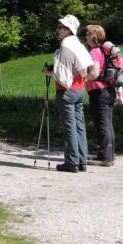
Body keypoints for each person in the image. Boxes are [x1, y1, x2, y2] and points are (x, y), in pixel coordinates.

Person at [42, 14, 98, 172]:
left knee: (70, 127)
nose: (58, 30)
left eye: (60, 27)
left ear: (68, 30)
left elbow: (62, 72)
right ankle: (81, 160)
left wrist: (48, 71)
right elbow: (83, 67)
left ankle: (71, 162)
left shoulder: (65, 46)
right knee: (79, 126)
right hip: (79, 89)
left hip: (66, 90)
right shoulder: (78, 44)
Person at [84, 24, 115, 167]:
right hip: (109, 91)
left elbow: (94, 73)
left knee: (101, 125)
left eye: (88, 33)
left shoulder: (95, 51)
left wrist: (84, 77)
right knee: (108, 124)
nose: (86, 36)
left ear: (93, 36)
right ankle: (109, 155)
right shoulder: (104, 51)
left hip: (98, 91)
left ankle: (103, 157)